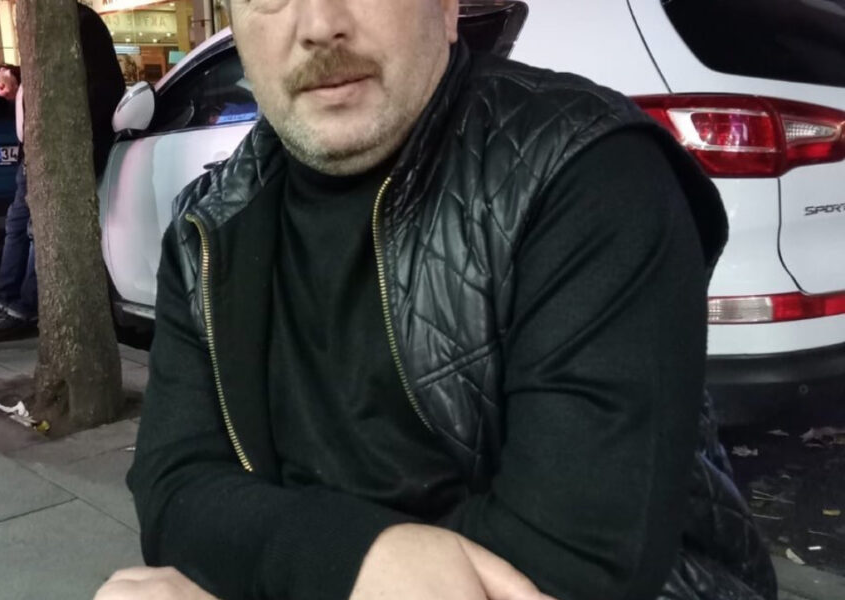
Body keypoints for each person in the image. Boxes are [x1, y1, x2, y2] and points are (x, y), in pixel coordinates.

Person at [106, 1, 777, 599]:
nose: (319, 25)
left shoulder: (587, 173)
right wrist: (354, 559)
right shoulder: (206, 229)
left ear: (448, 8)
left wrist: (277, 561)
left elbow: (575, 565)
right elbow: (175, 492)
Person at [0, 1, 125, 342]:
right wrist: (17, 86)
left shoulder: (74, 22)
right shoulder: (48, 21)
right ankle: (5, 298)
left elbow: (98, 90)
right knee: (18, 226)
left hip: (58, 148)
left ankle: (26, 307)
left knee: (39, 230)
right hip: (35, 148)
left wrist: (66, 135)